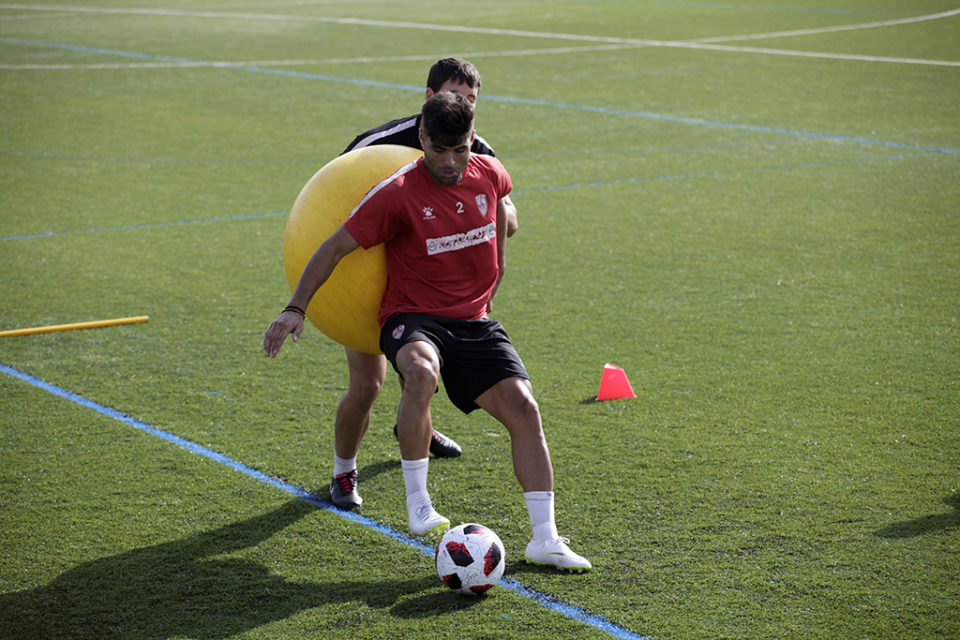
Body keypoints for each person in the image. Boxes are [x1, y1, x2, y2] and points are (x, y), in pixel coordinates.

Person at [264, 92, 591, 571]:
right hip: (412, 317)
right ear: (422, 140)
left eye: (460, 150)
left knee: (525, 409)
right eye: (439, 151)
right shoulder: (395, 194)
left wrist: (496, 270)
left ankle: (545, 539)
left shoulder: (490, 172)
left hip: (473, 321)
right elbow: (333, 248)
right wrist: (295, 309)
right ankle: (420, 507)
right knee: (420, 375)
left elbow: (500, 206)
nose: (450, 162)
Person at [328, 57, 518, 511]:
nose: (464, 107)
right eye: (456, 96)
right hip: (366, 280)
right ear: (429, 98)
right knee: (367, 385)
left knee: (422, 374)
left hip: (429, 286)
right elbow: (331, 201)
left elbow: (507, 217)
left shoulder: (477, 145)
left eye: (472, 101)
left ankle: (417, 430)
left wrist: (499, 216)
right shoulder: (377, 143)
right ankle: (343, 471)